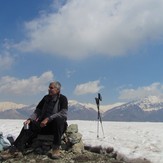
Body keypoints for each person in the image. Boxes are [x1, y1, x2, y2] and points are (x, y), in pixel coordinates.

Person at [10, 81, 68, 159]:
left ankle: (56, 148)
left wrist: (48, 118)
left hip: (55, 126)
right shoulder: (45, 98)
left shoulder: (62, 99)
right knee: (28, 125)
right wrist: (30, 119)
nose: (49, 89)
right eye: (49, 87)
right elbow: (37, 111)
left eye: (51, 88)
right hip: (43, 125)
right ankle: (17, 148)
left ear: (57, 90)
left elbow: (63, 113)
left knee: (59, 120)